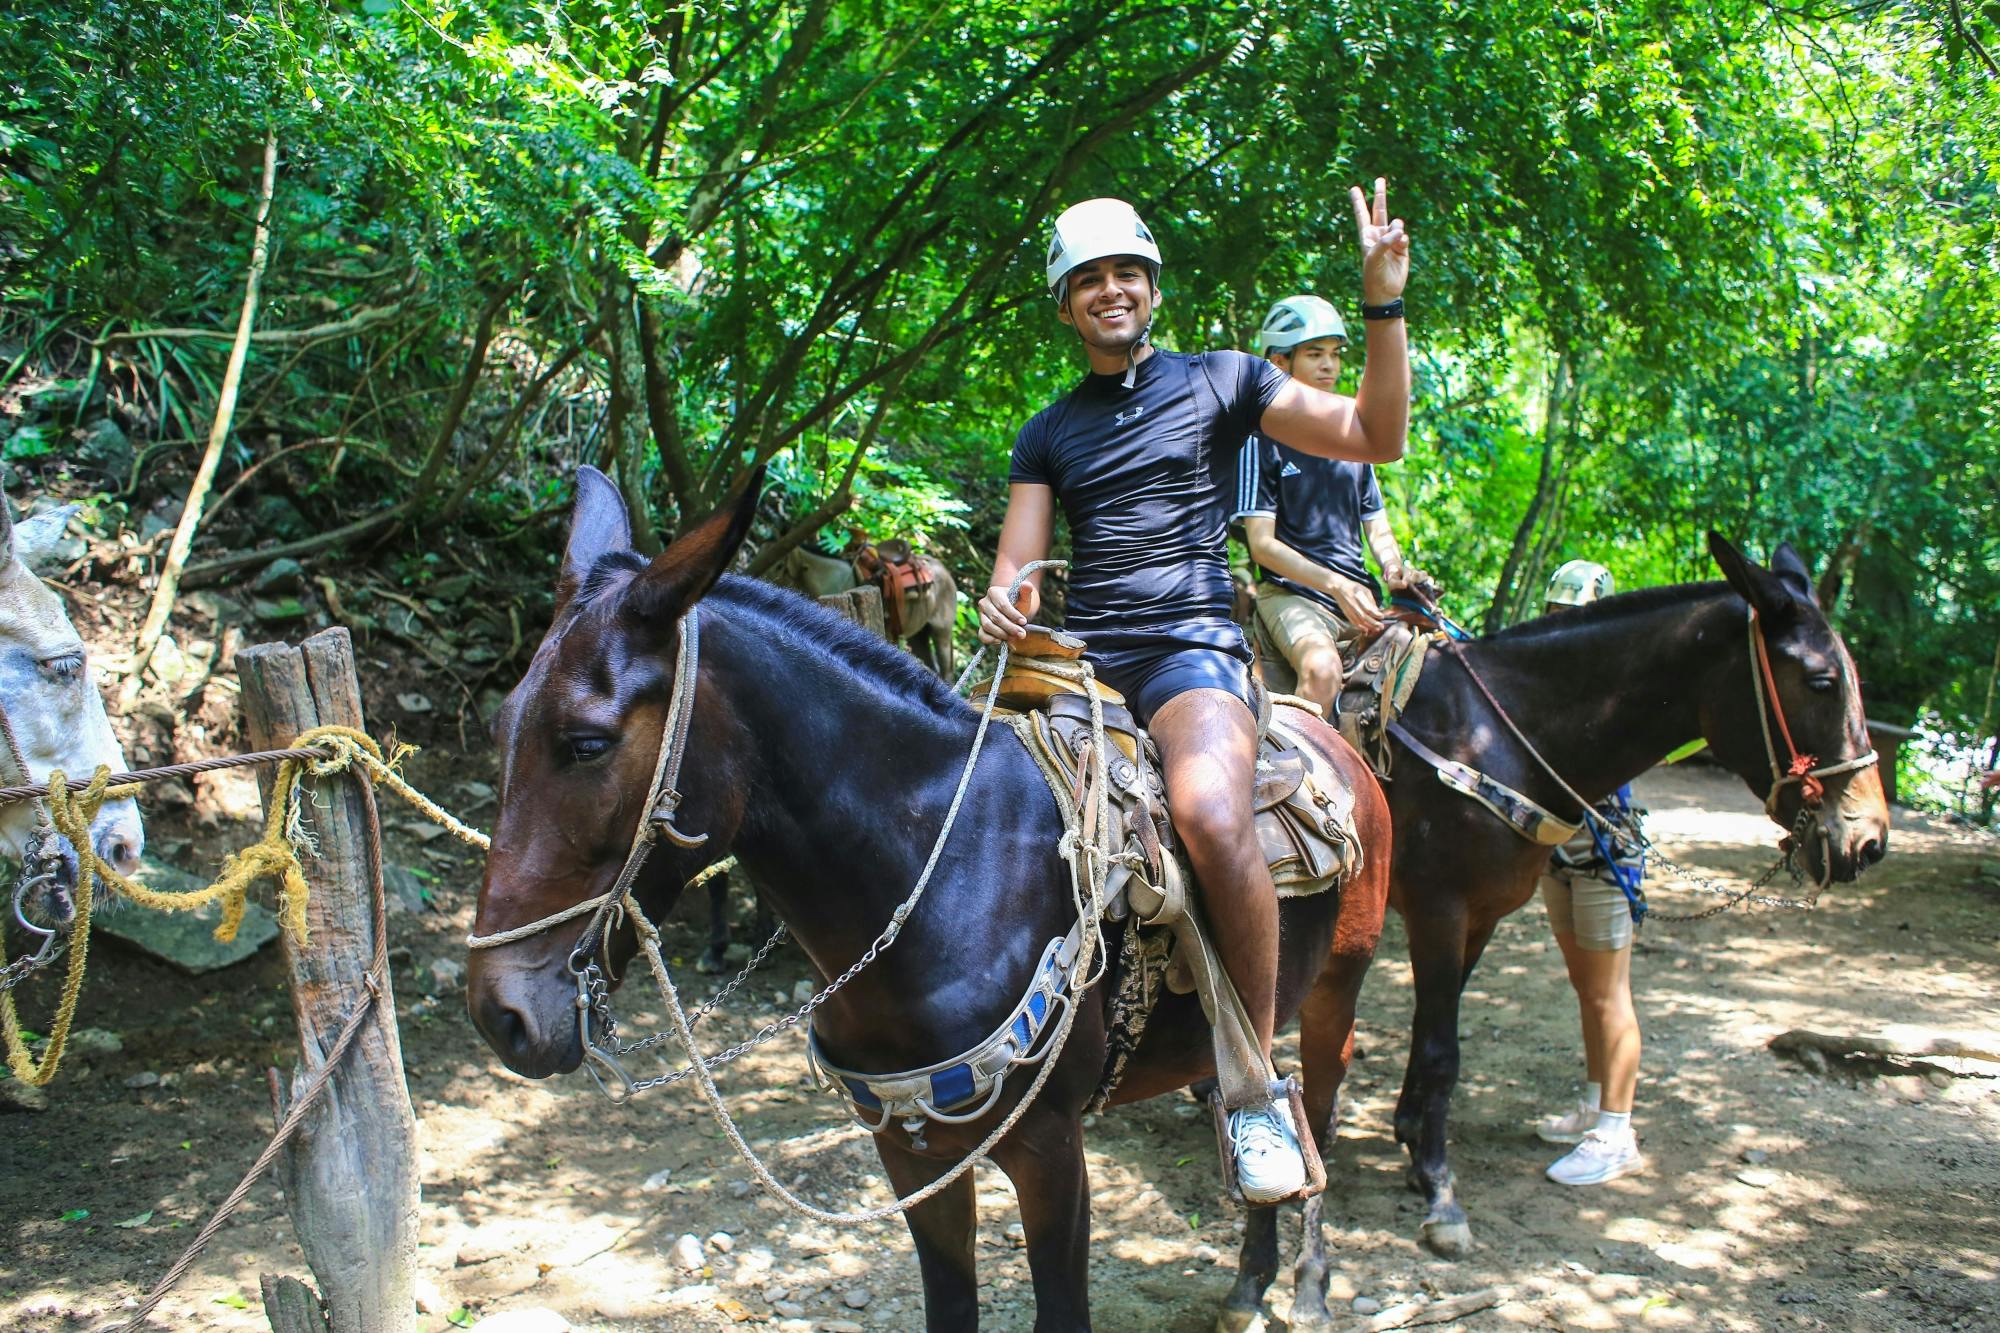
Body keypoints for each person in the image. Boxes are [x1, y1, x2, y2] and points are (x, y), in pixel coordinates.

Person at [976, 184, 1411, 1203]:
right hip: (1079, 663)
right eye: (1087, 279)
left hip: (1190, 654)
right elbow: (1016, 564)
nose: (1109, 290)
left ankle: (1251, 1083)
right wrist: (1004, 602)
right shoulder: (1046, 432)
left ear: (1151, 287)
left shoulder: (1227, 382)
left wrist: (1382, 306)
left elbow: (1373, 434)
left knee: (1211, 812)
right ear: (1063, 304)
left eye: (1124, 272)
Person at [1235, 294, 1430, 713]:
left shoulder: (1353, 435)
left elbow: (1376, 525)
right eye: (1315, 354)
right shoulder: (1260, 438)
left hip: (1360, 594)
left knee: (1435, 671)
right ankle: (1297, 777)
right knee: (1322, 671)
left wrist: (1394, 568)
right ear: (1281, 362)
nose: (1330, 365)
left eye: (1335, 355)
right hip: (1293, 596)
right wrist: (1336, 585)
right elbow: (1261, 545)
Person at [1535, 559, 1648, 1185]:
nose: (1564, 629)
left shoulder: (1618, 689)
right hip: (1560, 854)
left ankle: (1616, 1131)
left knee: (1609, 993)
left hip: (1605, 855)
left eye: (1576, 618)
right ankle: (1593, 1103)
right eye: (1558, 616)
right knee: (1586, 988)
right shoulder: (1550, 680)